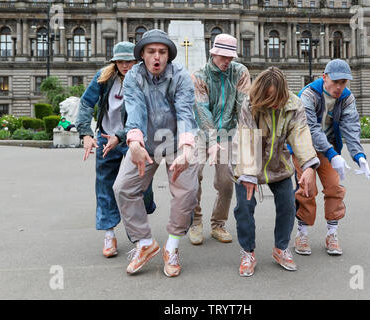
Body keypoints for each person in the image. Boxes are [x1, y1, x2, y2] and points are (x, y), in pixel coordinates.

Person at [112, 29, 199, 277]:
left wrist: (186, 149)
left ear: (168, 56)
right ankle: (145, 243)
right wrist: (135, 144)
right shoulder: (133, 77)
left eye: (162, 52)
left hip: (176, 144)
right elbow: (135, 111)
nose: (156, 57)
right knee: (123, 187)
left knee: (187, 192)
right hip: (146, 143)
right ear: (142, 55)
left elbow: (185, 113)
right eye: (151, 52)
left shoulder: (181, 76)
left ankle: (171, 247)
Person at [231, 67, 319, 277]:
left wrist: (308, 166)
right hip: (247, 160)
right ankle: (248, 252)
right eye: (268, 97)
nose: (274, 102)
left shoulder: (294, 104)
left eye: (277, 97)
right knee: (244, 206)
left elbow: (300, 134)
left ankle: (281, 248)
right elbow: (247, 139)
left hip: (278, 162)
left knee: (288, 204)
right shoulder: (249, 104)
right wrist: (249, 174)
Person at [75, 41, 155, 259]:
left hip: (133, 141)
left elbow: (144, 113)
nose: (125, 65)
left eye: (129, 61)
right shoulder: (104, 76)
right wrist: (86, 134)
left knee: (140, 188)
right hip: (105, 138)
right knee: (105, 186)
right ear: (115, 62)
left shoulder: (143, 79)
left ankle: (137, 231)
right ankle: (110, 234)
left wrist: (121, 137)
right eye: (121, 61)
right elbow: (85, 103)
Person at [292, 59, 370, 257]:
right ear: (324, 77)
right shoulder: (308, 94)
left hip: (330, 149)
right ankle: (302, 233)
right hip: (304, 148)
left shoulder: (347, 97)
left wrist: (358, 155)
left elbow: (351, 127)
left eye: (343, 82)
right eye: (335, 82)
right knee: (307, 190)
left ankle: (332, 234)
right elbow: (311, 129)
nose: (339, 87)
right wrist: (332, 154)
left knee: (335, 188)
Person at [190, 34, 251, 245]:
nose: (227, 61)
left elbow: (244, 104)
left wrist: (246, 135)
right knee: (193, 175)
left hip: (228, 132)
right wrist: (212, 139)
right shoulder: (199, 76)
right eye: (223, 56)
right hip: (201, 132)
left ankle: (218, 224)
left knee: (226, 181)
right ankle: (195, 221)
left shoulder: (240, 72)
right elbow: (201, 109)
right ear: (213, 53)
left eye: (230, 57)